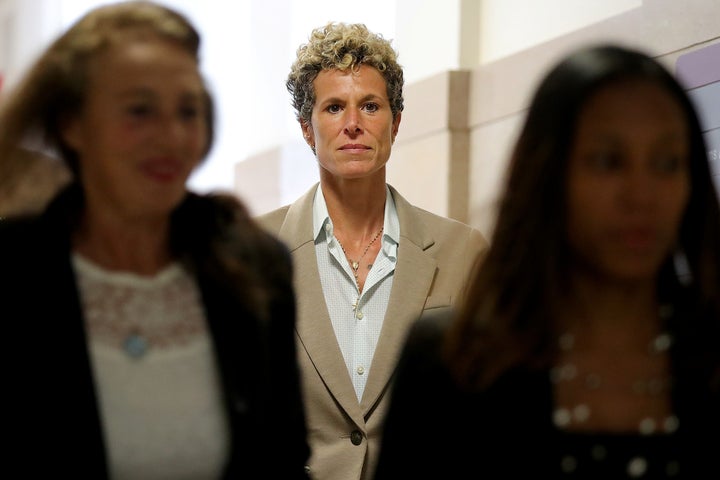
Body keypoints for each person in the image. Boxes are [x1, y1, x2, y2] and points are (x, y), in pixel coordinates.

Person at [373, 44, 720, 479]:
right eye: (608, 162)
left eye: (668, 163)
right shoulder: (456, 361)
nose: (641, 195)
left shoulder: (709, 353)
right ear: (548, 175)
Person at [0, 2, 309, 478]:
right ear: (72, 124)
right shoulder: (14, 271)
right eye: (139, 111)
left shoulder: (255, 268)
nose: (171, 136)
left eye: (188, 110)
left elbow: (281, 461)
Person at [256, 21, 488, 480]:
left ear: (395, 122)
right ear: (307, 128)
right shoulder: (255, 250)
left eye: (370, 105)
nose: (353, 125)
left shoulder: (464, 251)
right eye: (334, 107)